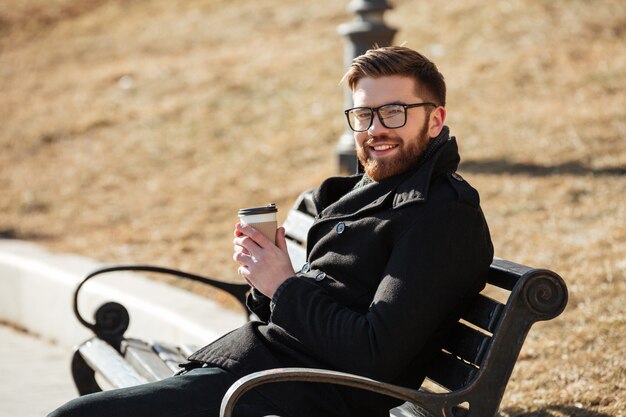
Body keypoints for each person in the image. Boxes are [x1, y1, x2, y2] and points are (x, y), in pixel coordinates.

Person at [49, 46, 493, 417]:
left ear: (435, 121)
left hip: (300, 390)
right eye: (363, 115)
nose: (375, 129)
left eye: (394, 112)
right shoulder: (374, 189)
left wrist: (283, 286)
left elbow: (374, 353)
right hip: (271, 371)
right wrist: (265, 279)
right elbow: (324, 303)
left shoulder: (442, 215)